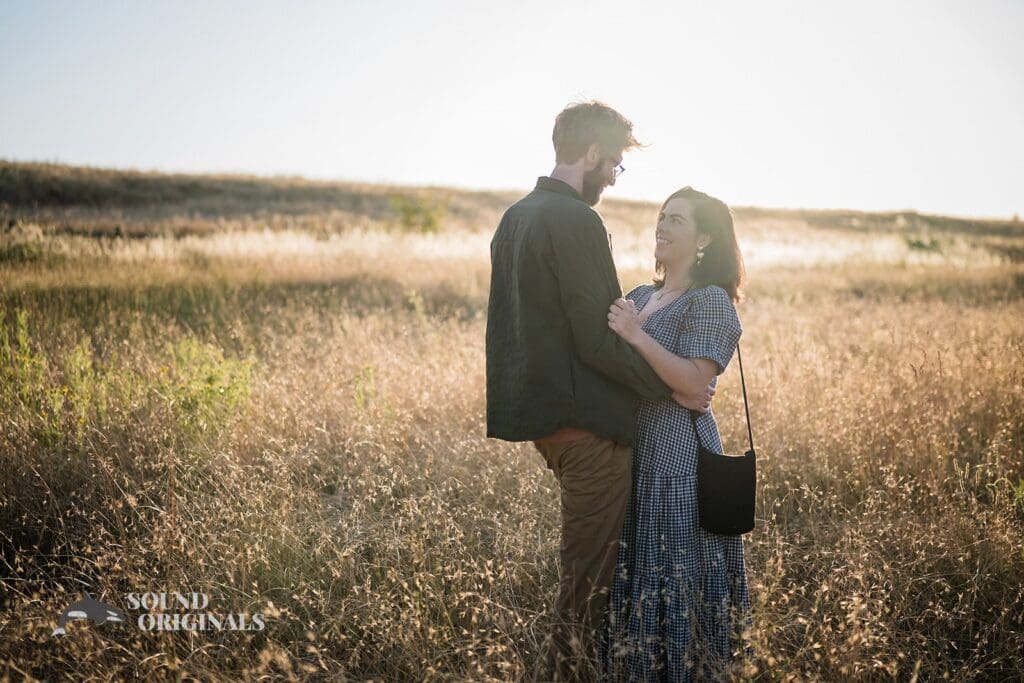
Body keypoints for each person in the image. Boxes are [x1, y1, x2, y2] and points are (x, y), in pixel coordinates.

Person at [485, 103, 715, 680]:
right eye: (613, 162)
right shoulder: (576, 222)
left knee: (588, 582)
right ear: (590, 154)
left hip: (547, 427)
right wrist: (672, 391)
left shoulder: (516, 216)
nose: (614, 176)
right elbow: (599, 336)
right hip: (588, 432)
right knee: (586, 594)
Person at [603, 186, 752, 681]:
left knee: (671, 570)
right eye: (662, 216)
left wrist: (637, 337)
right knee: (633, 567)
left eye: (678, 221)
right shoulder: (641, 296)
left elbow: (693, 382)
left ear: (705, 238)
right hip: (629, 454)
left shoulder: (710, 301)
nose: (662, 226)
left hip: (677, 460)